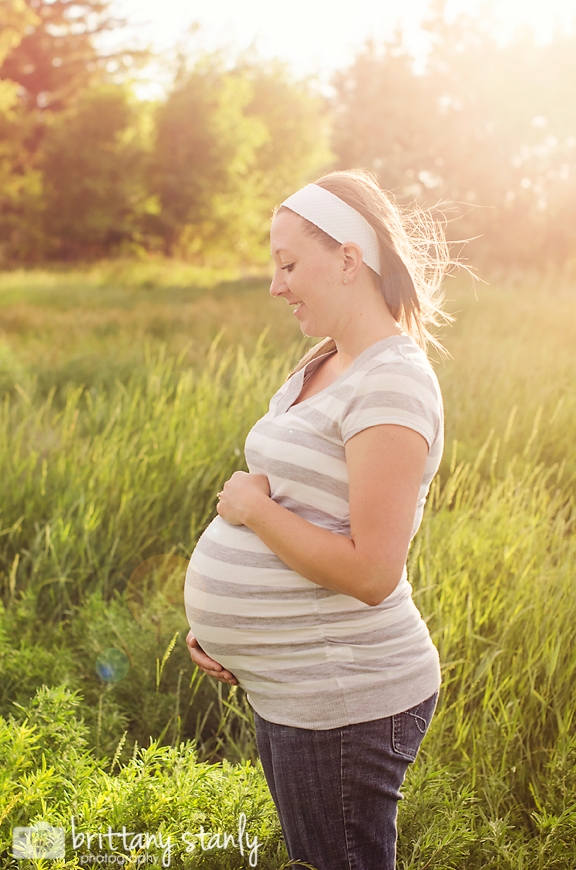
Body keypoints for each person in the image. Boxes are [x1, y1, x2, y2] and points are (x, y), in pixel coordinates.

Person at [185, 169, 453, 870]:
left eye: (288, 264)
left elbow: (371, 571)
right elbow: (314, 514)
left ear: (347, 259)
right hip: (295, 687)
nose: (276, 285)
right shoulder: (327, 360)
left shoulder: (391, 379)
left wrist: (252, 509)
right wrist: (233, 634)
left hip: (347, 698)